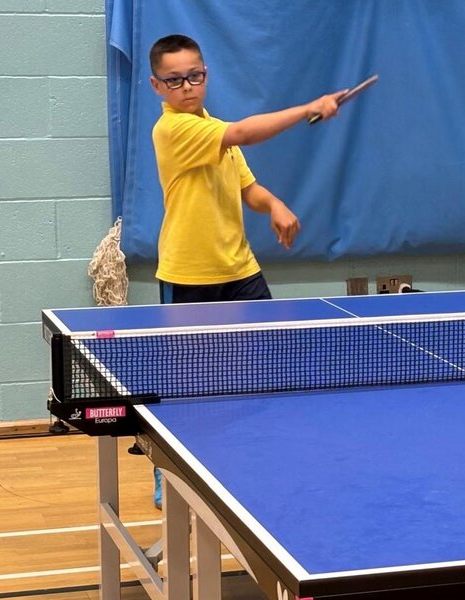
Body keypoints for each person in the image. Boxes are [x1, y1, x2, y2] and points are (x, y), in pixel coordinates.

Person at [147, 34, 343, 508]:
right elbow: (244, 133)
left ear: (206, 74)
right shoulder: (173, 131)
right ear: (158, 86)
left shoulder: (211, 127)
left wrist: (274, 204)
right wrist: (307, 109)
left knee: (270, 368)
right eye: (175, 80)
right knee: (187, 389)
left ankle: (257, 461)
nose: (187, 86)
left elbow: (247, 187)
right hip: (190, 278)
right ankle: (166, 470)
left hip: (241, 271)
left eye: (194, 75)